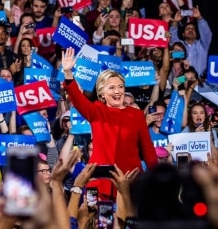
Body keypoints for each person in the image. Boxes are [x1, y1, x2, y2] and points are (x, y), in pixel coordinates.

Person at [61, 47, 157, 197]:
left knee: (130, 220)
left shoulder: (136, 115)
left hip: (130, 181)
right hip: (101, 181)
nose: (118, 91)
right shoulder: (97, 110)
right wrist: (68, 73)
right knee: (100, 219)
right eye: (112, 88)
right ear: (102, 93)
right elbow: (78, 99)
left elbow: (148, 151)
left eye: (120, 87)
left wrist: (156, 177)